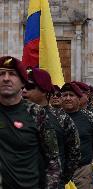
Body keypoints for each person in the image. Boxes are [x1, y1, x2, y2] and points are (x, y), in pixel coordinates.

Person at [0, 56, 60, 188]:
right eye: (1, 73)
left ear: (23, 83)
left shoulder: (36, 113)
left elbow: (53, 160)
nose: (6, 78)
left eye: (12, 74)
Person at [22, 68, 81, 188]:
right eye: (22, 86)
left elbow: (74, 153)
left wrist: (59, 180)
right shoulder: (15, 115)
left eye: (29, 87)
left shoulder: (61, 118)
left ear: (44, 91)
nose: (23, 91)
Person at [61, 82, 93, 189]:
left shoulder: (91, 117)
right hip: (59, 172)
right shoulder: (53, 118)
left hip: (82, 172)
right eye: (65, 95)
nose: (68, 98)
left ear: (78, 98)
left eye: (72, 95)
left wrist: (90, 154)